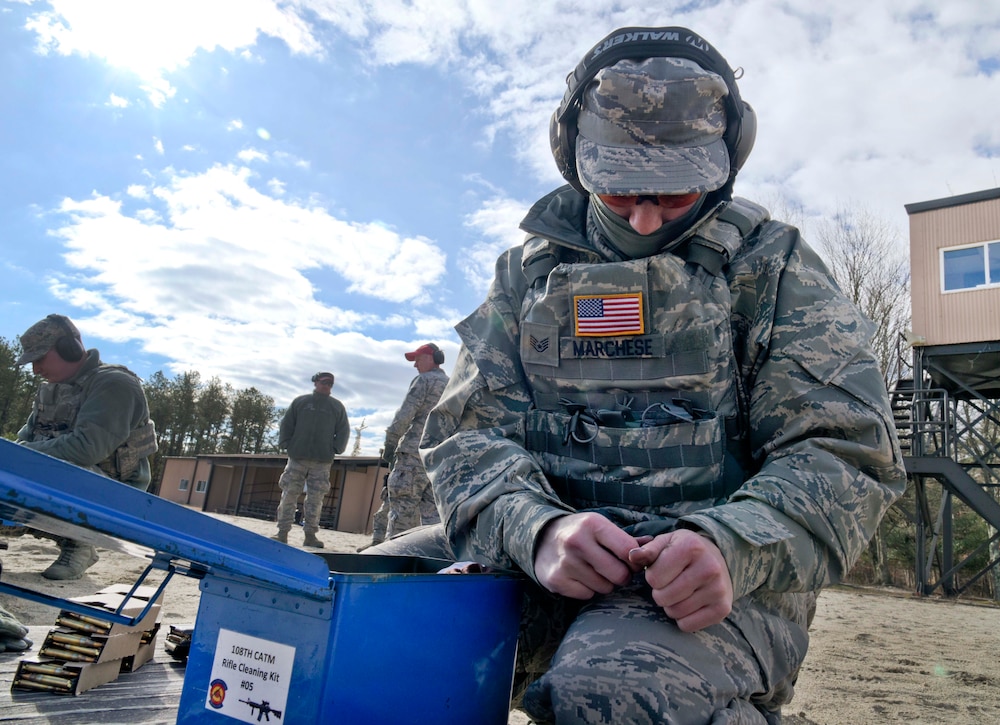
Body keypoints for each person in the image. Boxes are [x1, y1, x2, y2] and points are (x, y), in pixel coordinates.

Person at [366, 26, 906, 724]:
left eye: (676, 192)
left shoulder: (773, 270)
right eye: (619, 188)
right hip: (540, 559)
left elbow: (847, 450)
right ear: (574, 158)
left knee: (618, 689)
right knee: (370, 618)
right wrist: (538, 529)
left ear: (723, 164)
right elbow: (467, 439)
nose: (646, 216)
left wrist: (731, 543)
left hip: (715, 587)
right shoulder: (525, 274)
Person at [14, 314, 158, 581]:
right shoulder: (52, 389)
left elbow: (86, 449)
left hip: (113, 494)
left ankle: (79, 544)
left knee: (48, 467)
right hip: (74, 480)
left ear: (71, 348)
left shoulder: (114, 384)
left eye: (39, 359)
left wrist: (20, 456)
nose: (35, 369)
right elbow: (24, 441)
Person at [370, 343, 449, 545]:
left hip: (413, 457)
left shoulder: (424, 380)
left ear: (433, 358)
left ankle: (390, 562)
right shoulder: (453, 384)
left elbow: (405, 414)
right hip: (439, 461)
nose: (415, 365)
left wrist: (391, 442)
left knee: (401, 514)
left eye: (418, 359)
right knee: (432, 520)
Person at [272, 372, 350, 548]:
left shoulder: (336, 407)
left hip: (322, 461)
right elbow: (287, 423)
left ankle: (310, 536)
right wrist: (286, 443)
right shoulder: (301, 402)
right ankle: (282, 532)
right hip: (297, 457)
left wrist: (336, 448)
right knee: (289, 494)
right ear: (315, 383)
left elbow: (343, 430)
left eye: (330, 383)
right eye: (323, 382)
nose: (326, 386)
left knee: (316, 499)